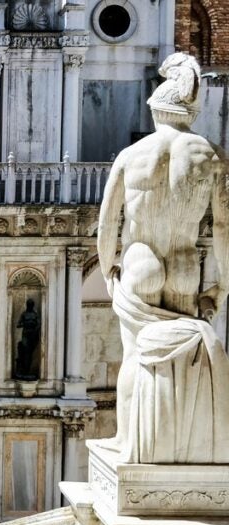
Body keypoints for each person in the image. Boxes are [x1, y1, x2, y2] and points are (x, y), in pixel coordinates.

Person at [97, 52, 229, 463]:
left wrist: (107, 268)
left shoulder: (131, 156)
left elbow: (107, 223)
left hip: (142, 264)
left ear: (157, 111)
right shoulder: (213, 156)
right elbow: (223, 227)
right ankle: (178, 449)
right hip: (186, 267)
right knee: (183, 359)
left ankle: (128, 441)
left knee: (136, 356)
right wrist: (223, 285)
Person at [15, 299, 40, 379]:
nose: (29, 306)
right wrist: (25, 324)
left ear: (33, 305)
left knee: (30, 353)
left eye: (31, 305)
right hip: (25, 334)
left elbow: (38, 324)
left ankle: (28, 370)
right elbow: (18, 325)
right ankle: (24, 370)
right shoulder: (24, 314)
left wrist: (34, 328)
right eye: (28, 305)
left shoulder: (35, 315)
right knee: (25, 351)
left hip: (33, 335)